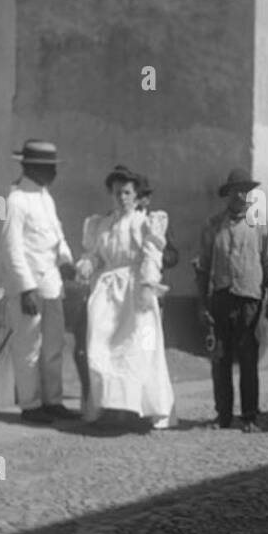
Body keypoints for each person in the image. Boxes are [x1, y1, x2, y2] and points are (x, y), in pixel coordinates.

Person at [76, 165, 177, 429]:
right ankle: (110, 407)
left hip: (134, 291)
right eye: (117, 192)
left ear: (135, 194)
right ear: (111, 194)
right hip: (107, 293)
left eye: (127, 192)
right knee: (102, 348)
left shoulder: (144, 222)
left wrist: (146, 285)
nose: (122, 197)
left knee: (136, 349)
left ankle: (137, 409)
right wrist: (87, 265)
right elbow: (96, 254)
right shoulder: (102, 225)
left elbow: (151, 255)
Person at [196, 167, 268, 432]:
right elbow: (202, 267)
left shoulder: (261, 225)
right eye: (236, 191)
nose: (241, 196)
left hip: (250, 301)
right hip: (221, 300)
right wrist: (203, 305)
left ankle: (249, 417)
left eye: (245, 191)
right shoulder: (213, 226)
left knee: (248, 359)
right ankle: (223, 416)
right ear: (228, 195)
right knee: (220, 360)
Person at [2, 139, 78, 424]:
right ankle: (31, 404)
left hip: (52, 285)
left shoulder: (47, 198)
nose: (54, 174)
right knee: (28, 347)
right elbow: (12, 249)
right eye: (48, 168)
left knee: (53, 346)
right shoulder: (15, 200)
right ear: (30, 167)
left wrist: (67, 261)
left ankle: (53, 400)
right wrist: (26, 288)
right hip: (30, 289)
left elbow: (57, 236)